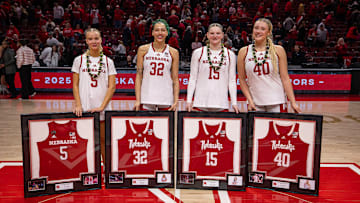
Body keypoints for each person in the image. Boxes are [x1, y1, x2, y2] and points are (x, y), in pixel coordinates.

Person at [237, 18, 301, 113]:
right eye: (256, 28)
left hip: (277, 100)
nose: (258, 31)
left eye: (262, 29)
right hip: (255, 102)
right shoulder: (244, 51)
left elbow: (285, 78)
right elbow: (242, 79)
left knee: (278, 128)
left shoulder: (278, 50)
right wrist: (250, 101)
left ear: (268, 32)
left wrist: (293, 102)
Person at [72, 28, 116, 161]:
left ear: (101, 40)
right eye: (90, 39)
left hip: (102, 108)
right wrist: (78, 104)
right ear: (86, 41)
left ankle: (106, 171)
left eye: (96, 38)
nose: (94, 41)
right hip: (85, 107)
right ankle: (88, 171)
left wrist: (102, 106)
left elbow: (112, 86)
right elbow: (75, 84)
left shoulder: (108, 62)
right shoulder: (79, 60)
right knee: (85, 141)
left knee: (103, 140)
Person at [186, 23, 239, 113]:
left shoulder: (230, 54)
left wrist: (234, 102)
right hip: (200, 103)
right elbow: (193, 78)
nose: (215, 36)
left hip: (221, 103)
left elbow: (232, 80)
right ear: (207, 35)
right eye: (212, 33)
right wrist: (189, 100)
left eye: (218, 33)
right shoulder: (198, 53)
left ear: (222, 35)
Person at [134, 19, 179, 111]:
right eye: (157, 30)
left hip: (166, 97)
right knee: (147, 124)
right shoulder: (143, 49)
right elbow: (139, 76)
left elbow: (175, 78)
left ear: (167, 33)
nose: (160, 33)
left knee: (165, 125)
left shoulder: (173, 52)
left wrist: (175, 100)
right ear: (152, 32)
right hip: (147, 96)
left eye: (163, 30)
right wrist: (138, 100)